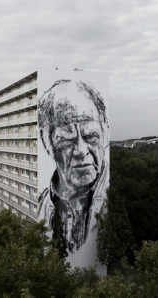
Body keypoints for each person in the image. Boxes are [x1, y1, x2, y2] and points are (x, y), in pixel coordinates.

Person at [38, 79, 109, 255]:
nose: (80, 151)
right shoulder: (40, 205)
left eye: (91, 136)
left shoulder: (113, 200)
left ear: (105, 134)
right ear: (47, 142)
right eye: (67, 139)